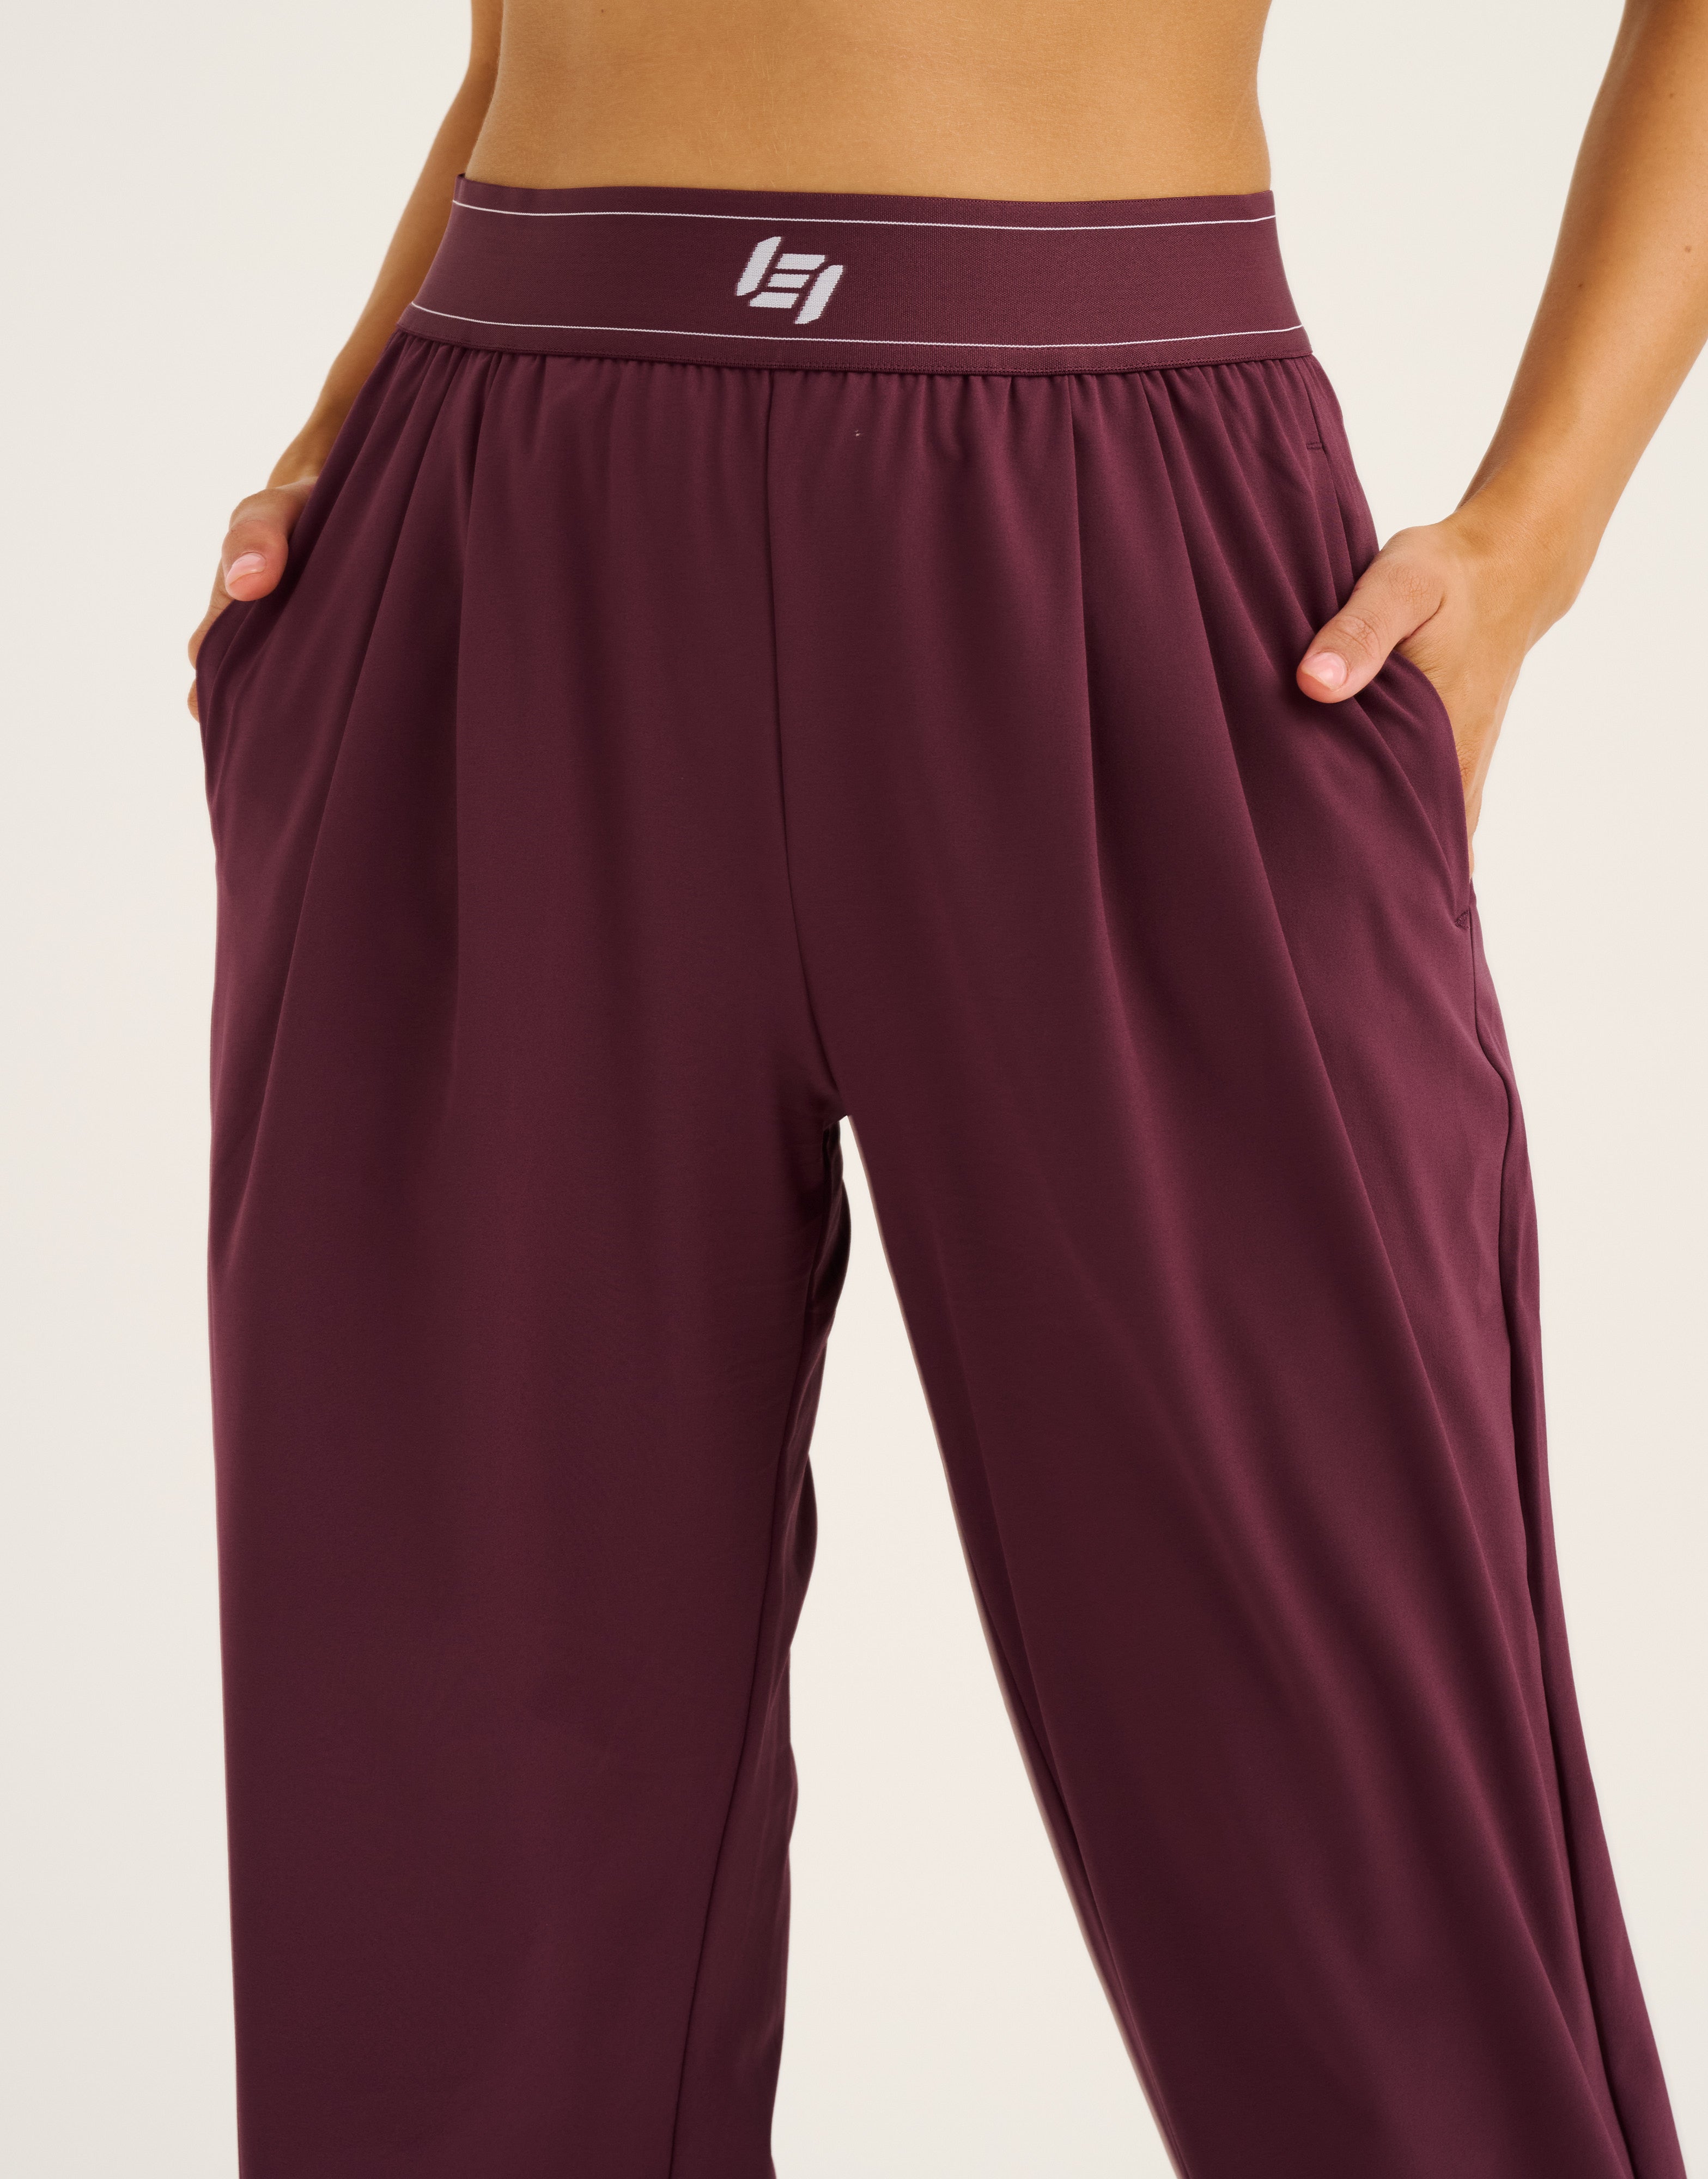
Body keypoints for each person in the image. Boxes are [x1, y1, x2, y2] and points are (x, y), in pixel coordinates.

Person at [186, 3, 1703, 2174]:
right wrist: (345, 435)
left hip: (1122, 520)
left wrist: (1531, 541)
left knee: (1365, 1848)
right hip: (500, 516)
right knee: (448, 1890)